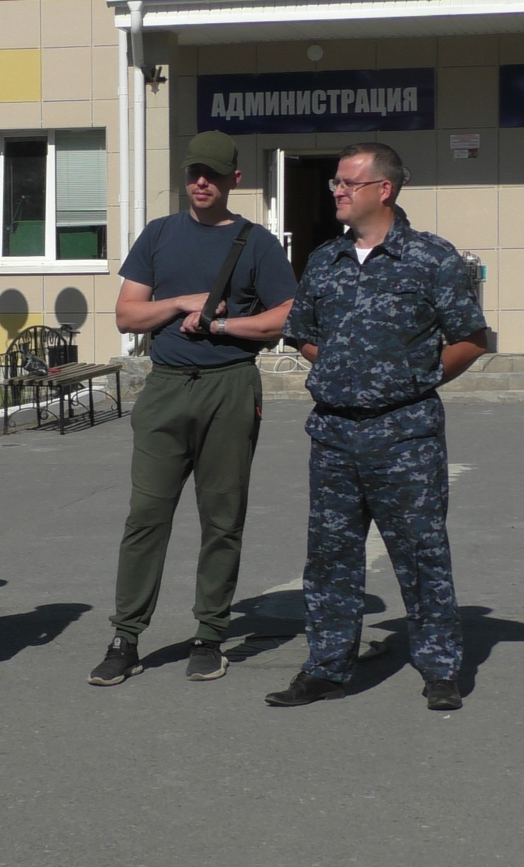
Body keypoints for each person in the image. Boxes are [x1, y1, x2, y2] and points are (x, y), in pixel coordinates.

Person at [264, 143, 487, 712]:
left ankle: (440, 668)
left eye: (347, 182)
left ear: (383, 190)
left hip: (404, 436)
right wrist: (343, 367)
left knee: (421, 553)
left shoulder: (432, 259)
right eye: (335, 183)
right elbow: (301, 331)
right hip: (335, 435)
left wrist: (414, 378)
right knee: (331, 557)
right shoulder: (323, 260)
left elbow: (469, 338)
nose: (335, 190)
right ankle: (327, 667)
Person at [88, 131, 297, 687]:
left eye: (212, 173)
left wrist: (225, 324)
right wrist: (181, 301)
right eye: (192, 173)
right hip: (165, 388)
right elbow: (127, 316)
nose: (200, 182)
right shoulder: (159, 235)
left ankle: (210, 633)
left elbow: (286, 317)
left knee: (222, 519)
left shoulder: (257, 242)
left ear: (235, 179)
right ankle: (125, 637)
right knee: (145, 517)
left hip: (229, 386)